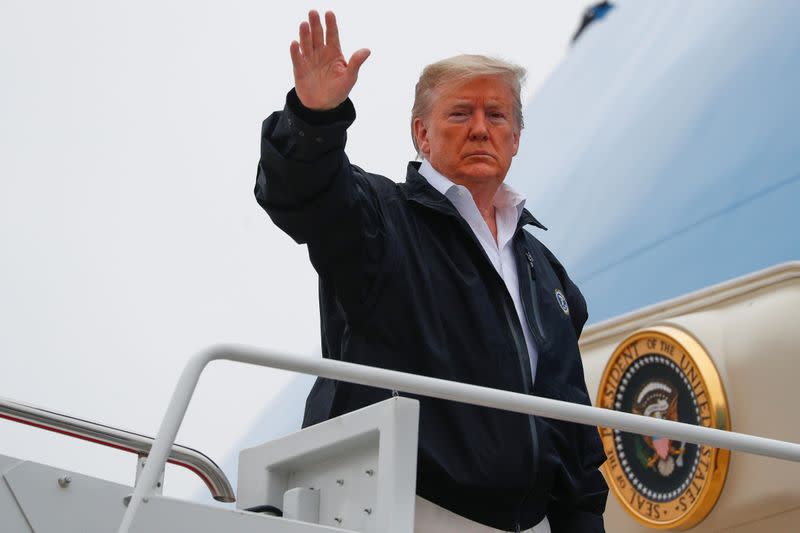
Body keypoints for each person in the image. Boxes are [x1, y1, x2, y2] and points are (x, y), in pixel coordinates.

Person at [255, 10, 608, 533]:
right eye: (461, 113)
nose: (481, 129)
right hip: (401, 511)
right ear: (422, 133)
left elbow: (571, 431)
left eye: (497, 115)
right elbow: (301, 196)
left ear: (515, 138)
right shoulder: (378, 218)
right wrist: (313, 119)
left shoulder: (548, 277)